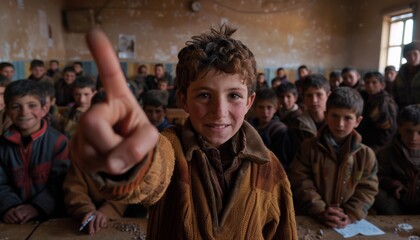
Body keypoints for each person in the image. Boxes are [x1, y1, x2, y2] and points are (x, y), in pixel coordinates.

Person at [70, 27, 298, 239]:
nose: (219, 112)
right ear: (183, 100)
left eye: (234, 96)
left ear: (250, 102)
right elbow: (153, 173)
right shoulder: (171, 148)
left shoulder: (269, 167)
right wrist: (134, 162)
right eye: (204, 95)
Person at [290, 87, 378, 229]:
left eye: (348, 118)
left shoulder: (366, 155)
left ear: (358, 121)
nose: (340, 124)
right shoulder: (309, 147)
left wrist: (350, 214)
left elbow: (367, 189)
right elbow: (300, 180)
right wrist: (321, 210)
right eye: (335, 116)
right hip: (312, 217)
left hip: (347, 222)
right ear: (326, 115)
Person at [0, 80, 70, 223]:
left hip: (50, 217)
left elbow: (60, 183)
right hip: (13, 216)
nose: (24, 112)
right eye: (15, 106)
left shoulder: (58, 142)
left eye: (32, 105)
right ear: (7, 110)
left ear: (44, 109)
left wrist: (37, 207)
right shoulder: (2, 145)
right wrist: (10, 207)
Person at [375, 104, 420, 215]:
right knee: (379, 194)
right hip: (397, 203)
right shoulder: (387, 153)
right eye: (408, 131)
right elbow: (376, 176)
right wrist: (393, 184)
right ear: (399, 128)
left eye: (419, 133)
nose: (414, 138)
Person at [249, 88, 293, 171]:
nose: (265, 112)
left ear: (275, 108)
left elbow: (282, 161)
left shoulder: (280, 130)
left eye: (269, 107)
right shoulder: (249, 127)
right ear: (254, 108)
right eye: (261, 107)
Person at [288, 74, 330, 155]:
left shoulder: (336, 122)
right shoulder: (296, 125)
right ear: (303, 98)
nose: (314, 100)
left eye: (319, 95)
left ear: (328, 95)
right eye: (309, 95)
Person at [357, 71, 398, 153]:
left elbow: (388, 130)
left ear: (382, 85)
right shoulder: (364, 97)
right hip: (364, 141)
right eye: (367, 82)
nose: (370, 85)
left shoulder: (385, 102)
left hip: (377, 146)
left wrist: (378, 148)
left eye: (374, 82)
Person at [393, 41, 420, 108]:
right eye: (408, 55)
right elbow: (394, 92)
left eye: (415, 54)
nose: (412, 57)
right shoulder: (401, 73)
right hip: (403, 111)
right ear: (405, 57)